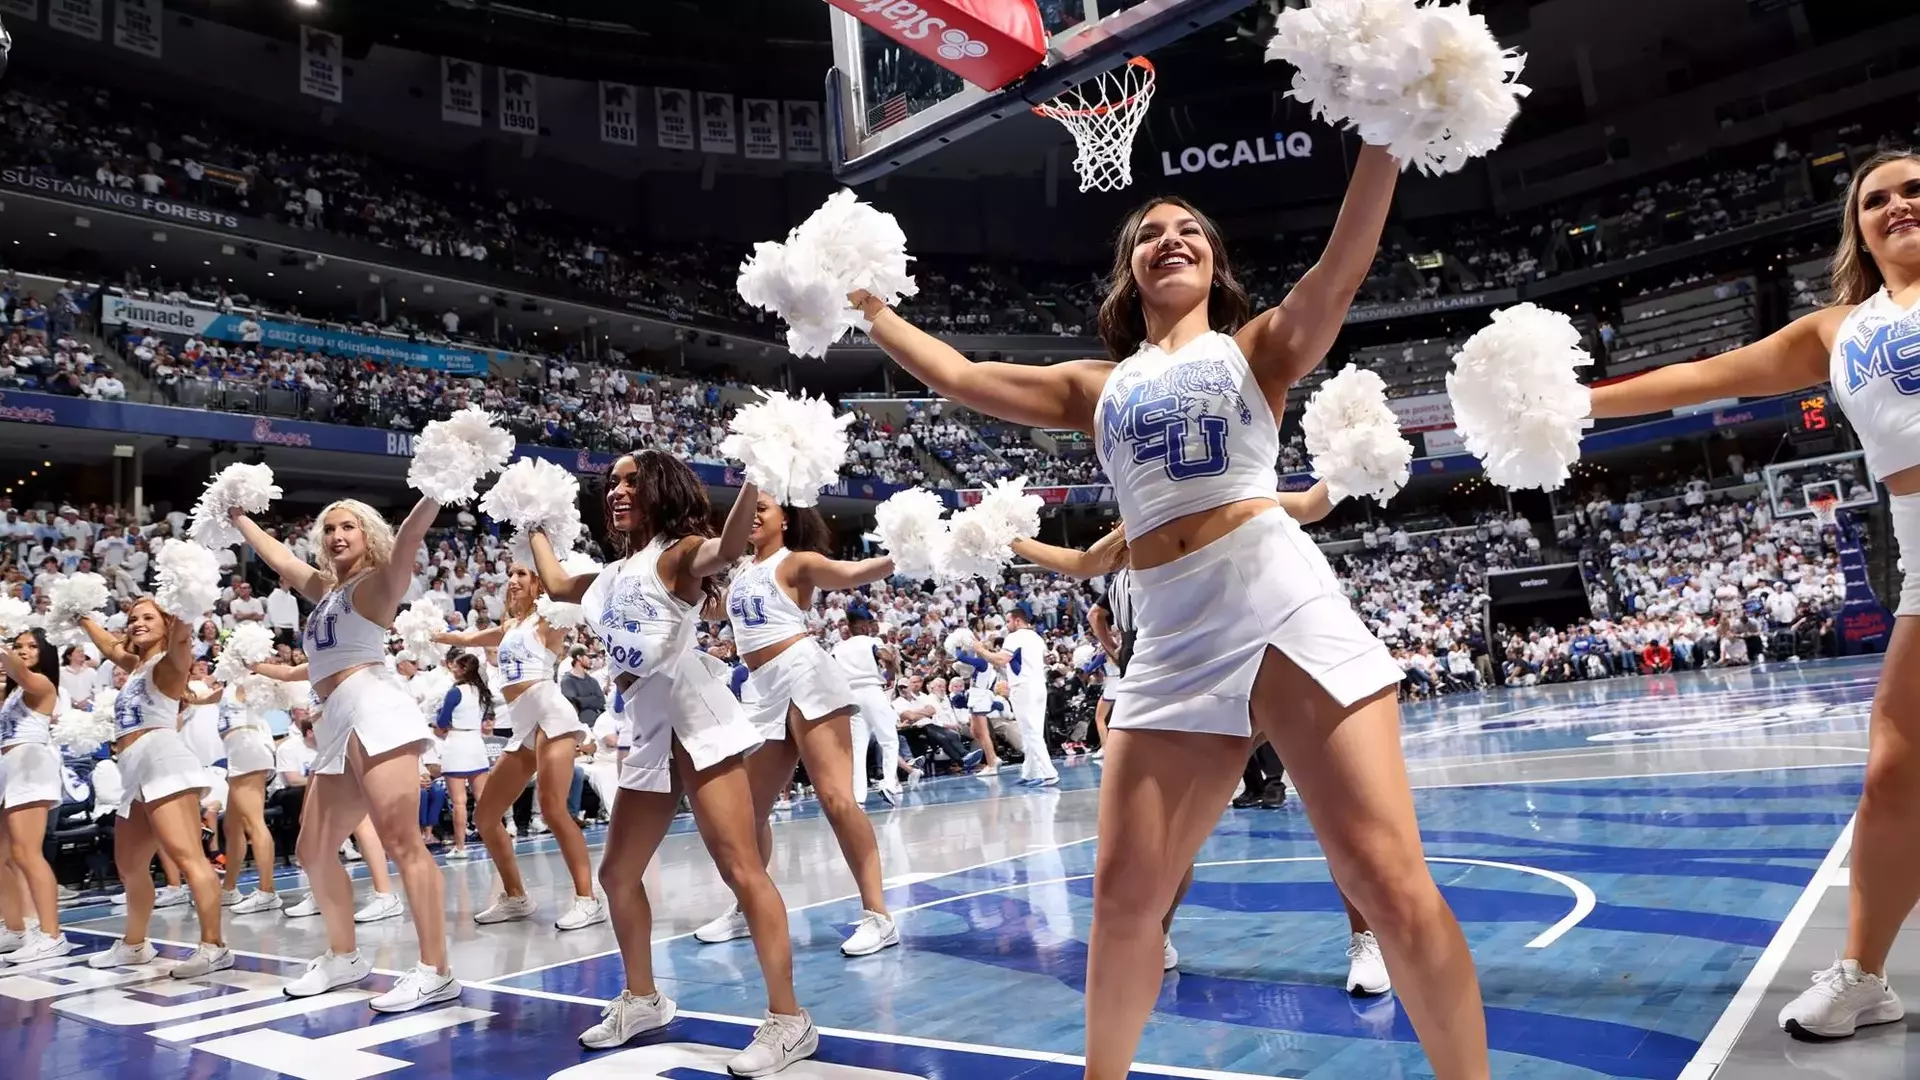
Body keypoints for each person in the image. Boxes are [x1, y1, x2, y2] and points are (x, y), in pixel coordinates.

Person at [852, 155, 1488, 1080]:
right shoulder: (1095, 387)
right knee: (1123, 906)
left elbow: (1342, 267)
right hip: (1171, 634)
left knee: (1388, 882)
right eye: (1149, 234)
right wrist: (870, 308)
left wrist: (1385, 141)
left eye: (1189, 229)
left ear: (1215, 264)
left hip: (1278, 598)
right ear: (1129, 274)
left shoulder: (1255, 348)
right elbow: (961, 374)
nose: (1170, 239)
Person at [1587, 148, 1920, 1041]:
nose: (1897, 205)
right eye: (1877, 200)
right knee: (1892, 778)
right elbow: (1705, 378)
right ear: (1857, 229)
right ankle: (1866, 977)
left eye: (1914, 190)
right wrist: (1572, 405)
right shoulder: (1835, 331)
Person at [529, 455, 816, 1075]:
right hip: (647, 721)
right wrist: (530, 516)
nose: (618, 490)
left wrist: (754, 475)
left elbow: (728, 548)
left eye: (633, 481)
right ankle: (643, 999)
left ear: (661, 489)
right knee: (617, 873)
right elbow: (553, 584)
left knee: (740, 867)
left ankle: (790, 1020)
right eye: (612, 482)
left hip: (693, 710)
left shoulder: (678, 552)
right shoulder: (609, 575)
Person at [228, 497, 457, 1012]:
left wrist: (434, 492)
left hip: (375, 708)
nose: (337, 535)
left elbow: (408, 540)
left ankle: (436, 971)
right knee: (312, 849)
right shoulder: (327, 591)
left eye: (348, 526)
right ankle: (344, 956)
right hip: (335, 718)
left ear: (367, 532)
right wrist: (238, 517)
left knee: (402, 842)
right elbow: (281, 560)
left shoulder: (378, 583)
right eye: (329, 528)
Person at [693, 494, 899, 958]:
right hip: (762, 688)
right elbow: (707, 608)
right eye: (749, 509)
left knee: (836, 799)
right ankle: (748, 907)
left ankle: (878, 915)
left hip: (804, 673)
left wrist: (901, 554)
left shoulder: (796, 562)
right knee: (748, 814)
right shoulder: (740, 571)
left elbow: (851, 573)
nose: (753, 516)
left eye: (762, 508)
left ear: (785, 518)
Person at [435, 564, 605, 932]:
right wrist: (435, 634)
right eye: (510, 574)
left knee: (553, 809)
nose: (513, 580)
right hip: (522, 724)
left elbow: (575, 595)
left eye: (523, 574)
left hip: (551, 716)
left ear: (539, 582)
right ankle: (515, 896)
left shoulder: (550, 619)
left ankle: (588, 899)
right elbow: (468, 639)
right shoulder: (510, 626)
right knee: (485, 816)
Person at [78, 600, 233, 978]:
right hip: (133, 772)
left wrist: (184, 605)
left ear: (167, 623)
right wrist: (80, 616)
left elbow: (181, 638)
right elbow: (109, 646)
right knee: (130, 865)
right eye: (133, 618)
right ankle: (135, 945)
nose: (138, 623)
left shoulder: (171, 662)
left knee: (189, 859)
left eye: (149, 618)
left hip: (164, 763)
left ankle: (214, 947)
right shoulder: (136, 666)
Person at [0, 628, 76, 963]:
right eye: (18, 646)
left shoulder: (42, 684)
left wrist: (4, 648)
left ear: (45, 653)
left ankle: (52, 935)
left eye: (32, 646)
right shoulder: (13, 693)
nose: (23, 650)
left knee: (27, 853)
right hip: (9, 768)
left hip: (30, 765)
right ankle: (15, 927)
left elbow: (18, 671)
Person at [205, 678, 282, 913]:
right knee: (232, 826)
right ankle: (229, 889)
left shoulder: (248, 680)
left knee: (253, 823)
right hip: (238, 754)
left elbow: (270, 683)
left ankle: (267, 892)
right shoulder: (226, 688)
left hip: (248, 749)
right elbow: (201, 698)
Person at [833, 603, 902, 805]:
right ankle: (888, 784)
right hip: (872, 691)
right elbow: (886, 657)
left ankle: (858, 796)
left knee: (858, 748)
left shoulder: (838, 647)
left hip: (851, 696)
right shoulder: (871, 641)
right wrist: (890, 671)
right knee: (889, 740)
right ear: (864, 626)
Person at [426, 652, 490, 863]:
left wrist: (439, 718)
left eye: (455, 666)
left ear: (463, 669)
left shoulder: (455, 692)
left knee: (459, 802)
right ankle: (494, 840)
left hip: (457, 744)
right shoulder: (481, 691)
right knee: (484, 799)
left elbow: (442, 721)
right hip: (476, 744)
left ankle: (460, 847)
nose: (452, 669)